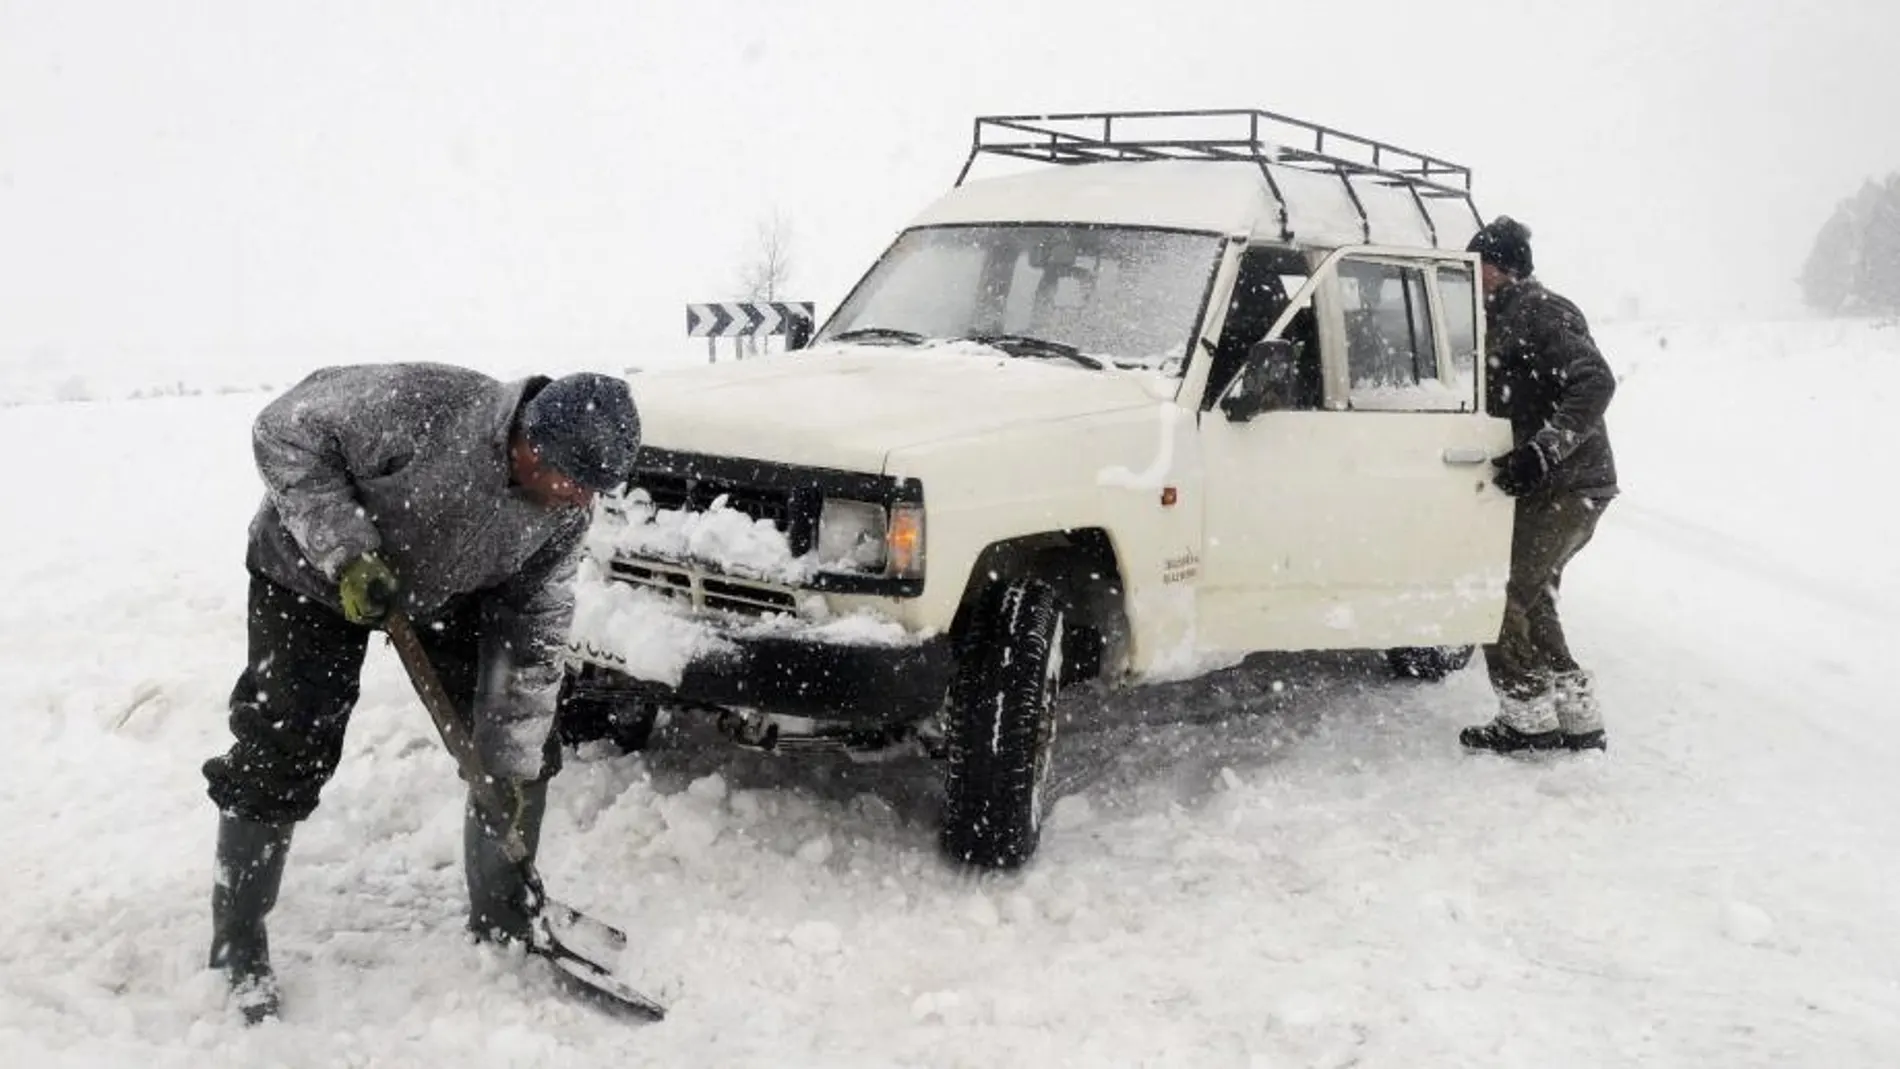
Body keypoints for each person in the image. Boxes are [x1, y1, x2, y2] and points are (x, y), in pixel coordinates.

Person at [201, 363, 640, 1023]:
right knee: (283, 748)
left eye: (594, 489)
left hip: (444, 589)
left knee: (521, 742)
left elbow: (535, 630)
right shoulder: (426, 406)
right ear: (532, 442)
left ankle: (502, 913)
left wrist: (512, 757)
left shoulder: (562, 516)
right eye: (575, 482)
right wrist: (347, 550)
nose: (582, 502)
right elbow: (282, 430)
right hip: (308, 576)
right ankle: (237, 941)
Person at [1458, 216, 1619, 756]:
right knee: (1535, 596)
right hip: (1559, 485)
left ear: (1499, 268)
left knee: (1497, 594)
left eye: (1475, 264)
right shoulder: (1499, 315)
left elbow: (1596, 380)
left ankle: (1526, 721)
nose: (1468, 273)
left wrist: (1540, 451)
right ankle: (1577, 718)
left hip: (1570, 486)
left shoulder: (1543, 311)